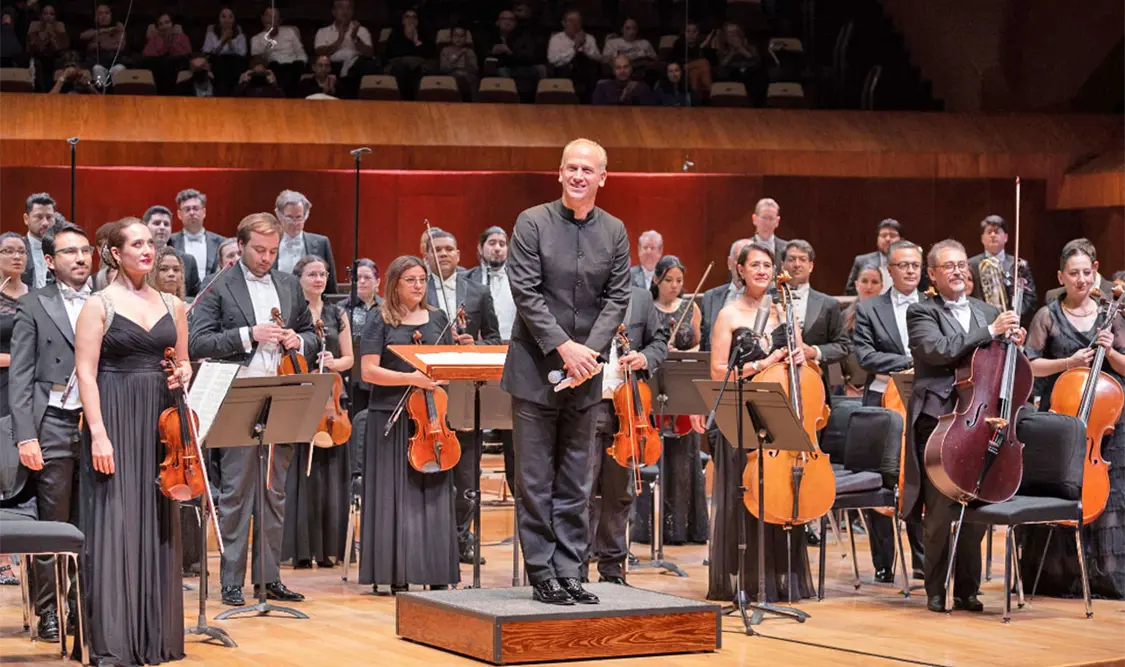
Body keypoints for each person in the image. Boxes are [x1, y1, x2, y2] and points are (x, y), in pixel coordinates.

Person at [501, 138, 630, 605]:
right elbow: (525, 292)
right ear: (559, 173)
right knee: (535, 479)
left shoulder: (614, 231)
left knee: (577, 479)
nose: (578, 176)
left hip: (587, 374)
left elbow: (618, 299)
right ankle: (542, 573)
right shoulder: (531, 222)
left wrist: (588, 354)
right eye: (571, 168)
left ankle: (571, 570)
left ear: (602, 177)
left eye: (587, 169)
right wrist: (564, 349)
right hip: (535, 370)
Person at [74, 218, 190, 664]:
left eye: (151, 243)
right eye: (136, 243)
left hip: (161, 421)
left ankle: (155, 634)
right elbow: (86, 372)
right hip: (116, 415)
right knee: (117, 520)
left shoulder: (173, 304)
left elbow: (183, 361)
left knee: (159, 517)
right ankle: (116, 640)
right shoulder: (98, 305)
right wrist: (99, 434)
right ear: (115, 253)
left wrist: (185, 372)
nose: (148, 250)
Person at [188, 212, 318, 607]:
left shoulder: (287, 284)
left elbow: (311, 332)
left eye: (273, 251)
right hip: (237, 393)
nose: (266, 258)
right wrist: (249, 334)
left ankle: (269, 578)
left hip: (281, 391)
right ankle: (231, 580)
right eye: (259, 250)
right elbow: (197, 342)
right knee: (235, 492)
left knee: (273, 491)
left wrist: (300, 340)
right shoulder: (220, 286)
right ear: (240, 245)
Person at [903, 238, 1023, 613]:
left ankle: (968, 590)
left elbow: (1002, 367)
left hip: (982, 419)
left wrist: (1013, 342)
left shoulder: (986, 309)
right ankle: (936, 589)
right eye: (948, 266)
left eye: (961, 265)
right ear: (933, 274)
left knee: (978, 506)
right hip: (940, 419)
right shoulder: (921, 312)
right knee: (940, 509)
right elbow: (936, 350)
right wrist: (989, 332)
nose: (957, 271)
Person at [699, 241, 814, 602]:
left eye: (768, 265)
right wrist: (760, 365)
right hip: (741, 413)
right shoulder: (729, 314)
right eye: (755, 265)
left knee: (777, 493)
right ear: (741, 271)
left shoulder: (785, 312)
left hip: (778, 414)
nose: (762, 271)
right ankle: (746, 579)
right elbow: (718, 371)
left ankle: (778, 578)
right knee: (743, 495)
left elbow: (803, 361)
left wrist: (800, 356)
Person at [1020, 239, 1125, 599]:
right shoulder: (1047, 315)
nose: (1080, 279)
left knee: (1111, 498)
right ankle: (1058, 577)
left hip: (1107, 422)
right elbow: (1029, 366)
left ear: (1096, 272)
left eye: (1087, 272)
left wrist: (1109, 352)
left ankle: (1106, 577)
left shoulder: (1113, 314)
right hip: (1061, 420)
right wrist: (1069, 363)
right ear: (1060, 276)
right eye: (1073, 273)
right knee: (1062, 490)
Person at [359, 255, 458, 593]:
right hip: (390, 416)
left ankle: (434, 570)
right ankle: (394, 571)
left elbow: (445, 368)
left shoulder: (439, 319)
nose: (418, 286)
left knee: (432, 493)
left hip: (431, 419)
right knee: (393, 496)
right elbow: (368, 371)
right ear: (395, 284)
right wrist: (410, 378)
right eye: (410, 280)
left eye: (422, 280)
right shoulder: (380, 319)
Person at [422, 228, 500, 563]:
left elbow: (495, 337)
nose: (443, 254)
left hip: (467, 390)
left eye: (449, 249)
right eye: (436, 249)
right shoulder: (416, 287)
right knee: (430, 467)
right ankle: (428, 539)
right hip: (429, 389)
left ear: (459, 254)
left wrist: (477, 345)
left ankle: (461, 538)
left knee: (467, 471)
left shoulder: (478, 291)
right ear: (425, 254)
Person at [851, 239, 926, 583]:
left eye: (915, 265)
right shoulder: (869, 309)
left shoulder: (933, 305)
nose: (910, 270)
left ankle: (924, 559)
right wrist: (909, 362)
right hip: (882, 402)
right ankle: (883, 562)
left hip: (926, 402)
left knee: (922, 478)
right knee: (881, 478)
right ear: (889, 270)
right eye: (902, 265)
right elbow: (865, 357)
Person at [585, 285, 667, 584]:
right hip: (587, 405)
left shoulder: (641, 298)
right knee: (582, 491)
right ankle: (576, 569)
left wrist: (645, 358)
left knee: (620, 494)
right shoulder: (580, 293)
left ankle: (611, 569)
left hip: (629, 408)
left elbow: (659, 342)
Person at [282, 256, 354, 570]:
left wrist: (333, 363)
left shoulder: (338, 313)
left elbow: (350, 358)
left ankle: (328, 549)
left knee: (330, 475)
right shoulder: (290, 313)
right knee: (301, 473)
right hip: (301, 397)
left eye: (323, 273)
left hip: (332, 401)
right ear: (298, 278)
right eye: (312, 274)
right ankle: (300, 548)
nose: (319, 279)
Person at [644, 256, 708, 546]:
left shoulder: (690, 307)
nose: (674, 286)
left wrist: (682, 351)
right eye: (669, 280)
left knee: (684, 458)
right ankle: (647, 528)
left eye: (679, 281)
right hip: (653, 386)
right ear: (657, 279)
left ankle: (682, 527)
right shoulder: (647, 307)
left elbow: (697, 343)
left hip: (682, 389)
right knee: (652, 453)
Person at [779, 240, 851, 398]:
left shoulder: (828, 303)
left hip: (815, 381)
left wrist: (813, 352)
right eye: (791, 259)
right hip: (774, 379)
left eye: (802, 259)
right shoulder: (768, 300)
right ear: (782, 264)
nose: (797, 264)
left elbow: (843, 346)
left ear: (811, 266)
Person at [968, 214, 1037, 319]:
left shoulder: (1018, 265)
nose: (993, 235)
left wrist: (1014, 316)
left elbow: (1030, 298)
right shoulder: (971, 264)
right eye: (989, 232)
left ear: (1005, 237)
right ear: (982, 238)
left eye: (997, 231)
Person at [274, 190, 339, 293]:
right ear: (279, 216)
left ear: (306, 216)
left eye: (299, 217)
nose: (295, 223)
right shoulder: (271, 243)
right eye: (290, 217)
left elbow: (331, 286)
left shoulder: (321, 243)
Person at [342, 258, 380, 417]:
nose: (362, 282)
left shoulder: (388, 308)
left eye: (367, 278)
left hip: (379, 375)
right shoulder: (341, 309)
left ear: (377, 282)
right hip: (352, 378)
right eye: (357, 279)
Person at [699, 238, 751, 351]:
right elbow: (704, 344)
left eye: (747, 259)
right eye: (738, 259)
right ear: (729, 263)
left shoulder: (765, 299)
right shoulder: (710, 297)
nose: (742, 265)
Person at [840, 264, 883, 395]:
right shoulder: (844, 315)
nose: (869, 287)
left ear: (881, 286)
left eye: (874, 282)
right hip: (848, 386)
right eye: (864, 281)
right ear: (857, 284)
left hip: (879, 383)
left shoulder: (888, 316)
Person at [169, 188, 225, 284]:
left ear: (204, 212)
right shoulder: (169, 242)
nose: (191, 213)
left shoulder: (221, 242)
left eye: (195, 208)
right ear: (179, 214)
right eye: (187, 209)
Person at [145, 205, 201, 297]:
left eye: (166, 224)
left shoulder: (188, 260)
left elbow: (196, 296)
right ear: (145, 227)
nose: (162, 227)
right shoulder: (139, 258)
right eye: (157, 223)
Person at [845, 218, 901, 296]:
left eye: (892, 235)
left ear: (901, 240)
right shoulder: (861, 261)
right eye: (883, 235)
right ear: (877, 239)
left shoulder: (910, 263)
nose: (888, 239)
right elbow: (850, 291)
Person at [22, 192, 56, 289]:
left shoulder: (61, 249)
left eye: (49, 217)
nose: (45, 223)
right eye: (39, 217)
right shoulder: (17, 250)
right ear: (26, 219)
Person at [750, 198, 787, 262]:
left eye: (771, 218)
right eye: (764, 218)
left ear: (777, 221)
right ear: (754, 219)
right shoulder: (744, 247)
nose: (767, 223)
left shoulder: (786, 248)